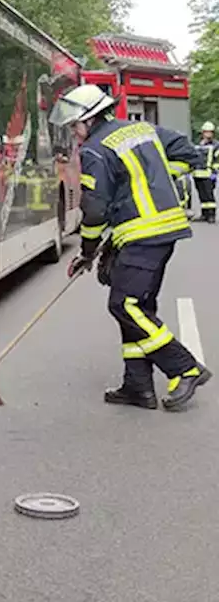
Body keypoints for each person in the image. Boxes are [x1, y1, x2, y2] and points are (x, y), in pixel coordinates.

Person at [57, 84, 210, 410]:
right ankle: (137, 386)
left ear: (89, 119)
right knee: (140, 307)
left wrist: (87, 251)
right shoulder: (140, 129)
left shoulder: (94, 150)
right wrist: (154, 175)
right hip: (163, 231)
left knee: (124, 306)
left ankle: (185, 367)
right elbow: (188, 153)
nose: (74, 132)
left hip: (142, 235)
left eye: (74, 125)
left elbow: (95, 209)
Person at [194, 121, 218, 223]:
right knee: (202, 195)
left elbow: (217, 160)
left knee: (209, 196)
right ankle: (204, 214)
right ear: (202, 132)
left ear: (212, 133)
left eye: (210, 132)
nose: (208, 134)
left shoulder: (216, 145)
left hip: (208, 174)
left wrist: (214, 171)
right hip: (197, 173)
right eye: (206, 132)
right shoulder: (197, 144)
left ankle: (211, 215)